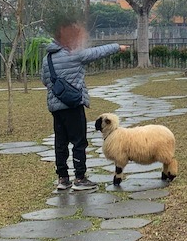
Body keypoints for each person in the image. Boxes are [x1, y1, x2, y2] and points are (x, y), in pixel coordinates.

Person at [41, 19, 128, 192]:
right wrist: (118, 46)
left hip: (56, 108)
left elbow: (45, 81)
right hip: (73, 105)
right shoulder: (74, 53)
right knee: (79, 142)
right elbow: (96, 53)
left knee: (60, 143)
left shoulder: (47, 58)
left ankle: (63, 178)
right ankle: (80, 178)